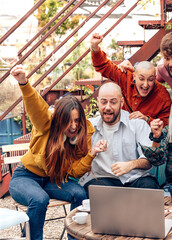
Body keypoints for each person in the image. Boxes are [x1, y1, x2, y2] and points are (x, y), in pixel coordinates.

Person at [8, 65, 106, 240]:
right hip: (25, 177)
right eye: (69, 121)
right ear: (60, 120)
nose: (74, 126)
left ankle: (75, 237)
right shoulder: (47, 124)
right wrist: (24, 82)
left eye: (77, 120)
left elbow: (74, 171)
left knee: (79, 194)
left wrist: (91, 154)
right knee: (39, 199)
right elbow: (36, 108)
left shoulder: (81, 133)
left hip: (52, 179)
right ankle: (31, 238)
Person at [79, 82, 159, 194]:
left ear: (121, 102)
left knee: (149, 185)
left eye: (113, 102)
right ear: (97, 102)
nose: (107, 107)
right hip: (103, 180)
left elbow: (149, 161)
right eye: (103, 102)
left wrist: (131, 165)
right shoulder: (89, 127)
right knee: (97, 189)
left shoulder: (137, 124)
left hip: (134, 178)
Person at [90, 33, 172, 125]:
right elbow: (103, 66)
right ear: (134, 76)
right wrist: (94, 46)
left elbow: (166, 125)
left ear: (155, 78)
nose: (145, 84)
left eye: (150, 79)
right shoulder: (126, 78)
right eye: (141, 79)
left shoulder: (162, 96)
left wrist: (147, 120)